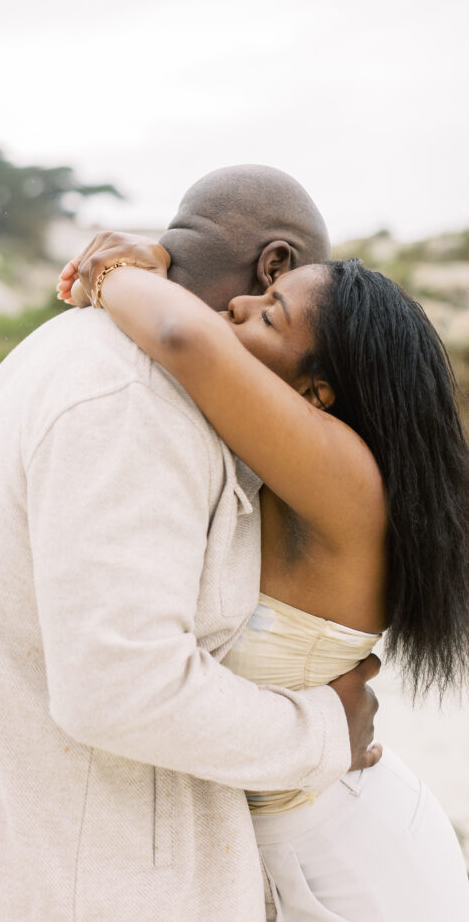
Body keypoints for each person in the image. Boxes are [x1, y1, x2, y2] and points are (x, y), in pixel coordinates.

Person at [0, 166, 380, 922]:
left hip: (26, 849)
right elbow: (121, 686)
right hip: (77, 874)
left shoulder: (71, 346)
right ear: (275, 266)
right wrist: (323, 731)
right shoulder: (136, 398)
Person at [58, 230, 469, 920]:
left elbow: (180, 337)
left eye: (268, 313)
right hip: (292, 842)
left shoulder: (346, 479)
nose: (236, 307)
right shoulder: (300, 470)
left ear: (318, 391)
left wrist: (118, 268)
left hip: (354, 859)